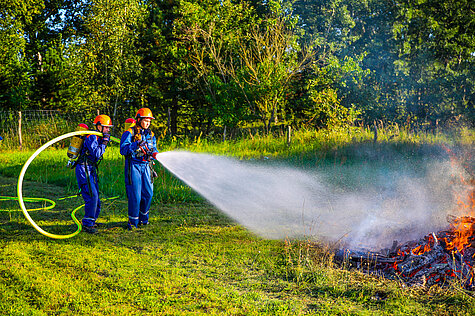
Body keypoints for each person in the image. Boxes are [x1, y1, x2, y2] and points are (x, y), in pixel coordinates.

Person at [120, 108, 159, 230]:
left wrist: (155, 154)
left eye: (149, 121)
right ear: (138, 120)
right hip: (134, 166)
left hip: (146, 166)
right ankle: (133, 223)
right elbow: (123, 150)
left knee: (148, 194)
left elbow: (154, 148)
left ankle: (144, 220)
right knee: (135, 195)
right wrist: (136, 144)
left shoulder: (151, 134)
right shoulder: (129, 133)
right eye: (145, 120)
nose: (147, 123)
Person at [76, 114, 112, 234]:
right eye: (106, 127)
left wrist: (103, 140)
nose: (108, 130)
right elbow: (97, 153)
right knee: (92, 196)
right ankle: (87, 224)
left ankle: (92, 220)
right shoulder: (92, 137)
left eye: (108, 128)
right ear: (99, 126)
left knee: (96, 196)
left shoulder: (98, 137)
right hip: (83, 168)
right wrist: (105, 142)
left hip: (90, 168)